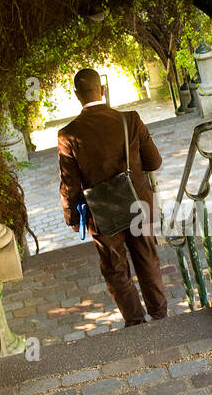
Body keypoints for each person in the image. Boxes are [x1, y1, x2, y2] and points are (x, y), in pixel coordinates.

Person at [58, 68, 168, 326]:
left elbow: (69, 184)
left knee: (115, 268)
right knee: (147, 258)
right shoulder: (129, 120)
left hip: (102, 212)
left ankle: (135, 322)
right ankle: (161, 316)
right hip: (139, 204)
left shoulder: (68, 135)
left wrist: (73, 218)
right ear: (103, 90)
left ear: (77, 95)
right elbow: (154, 161)